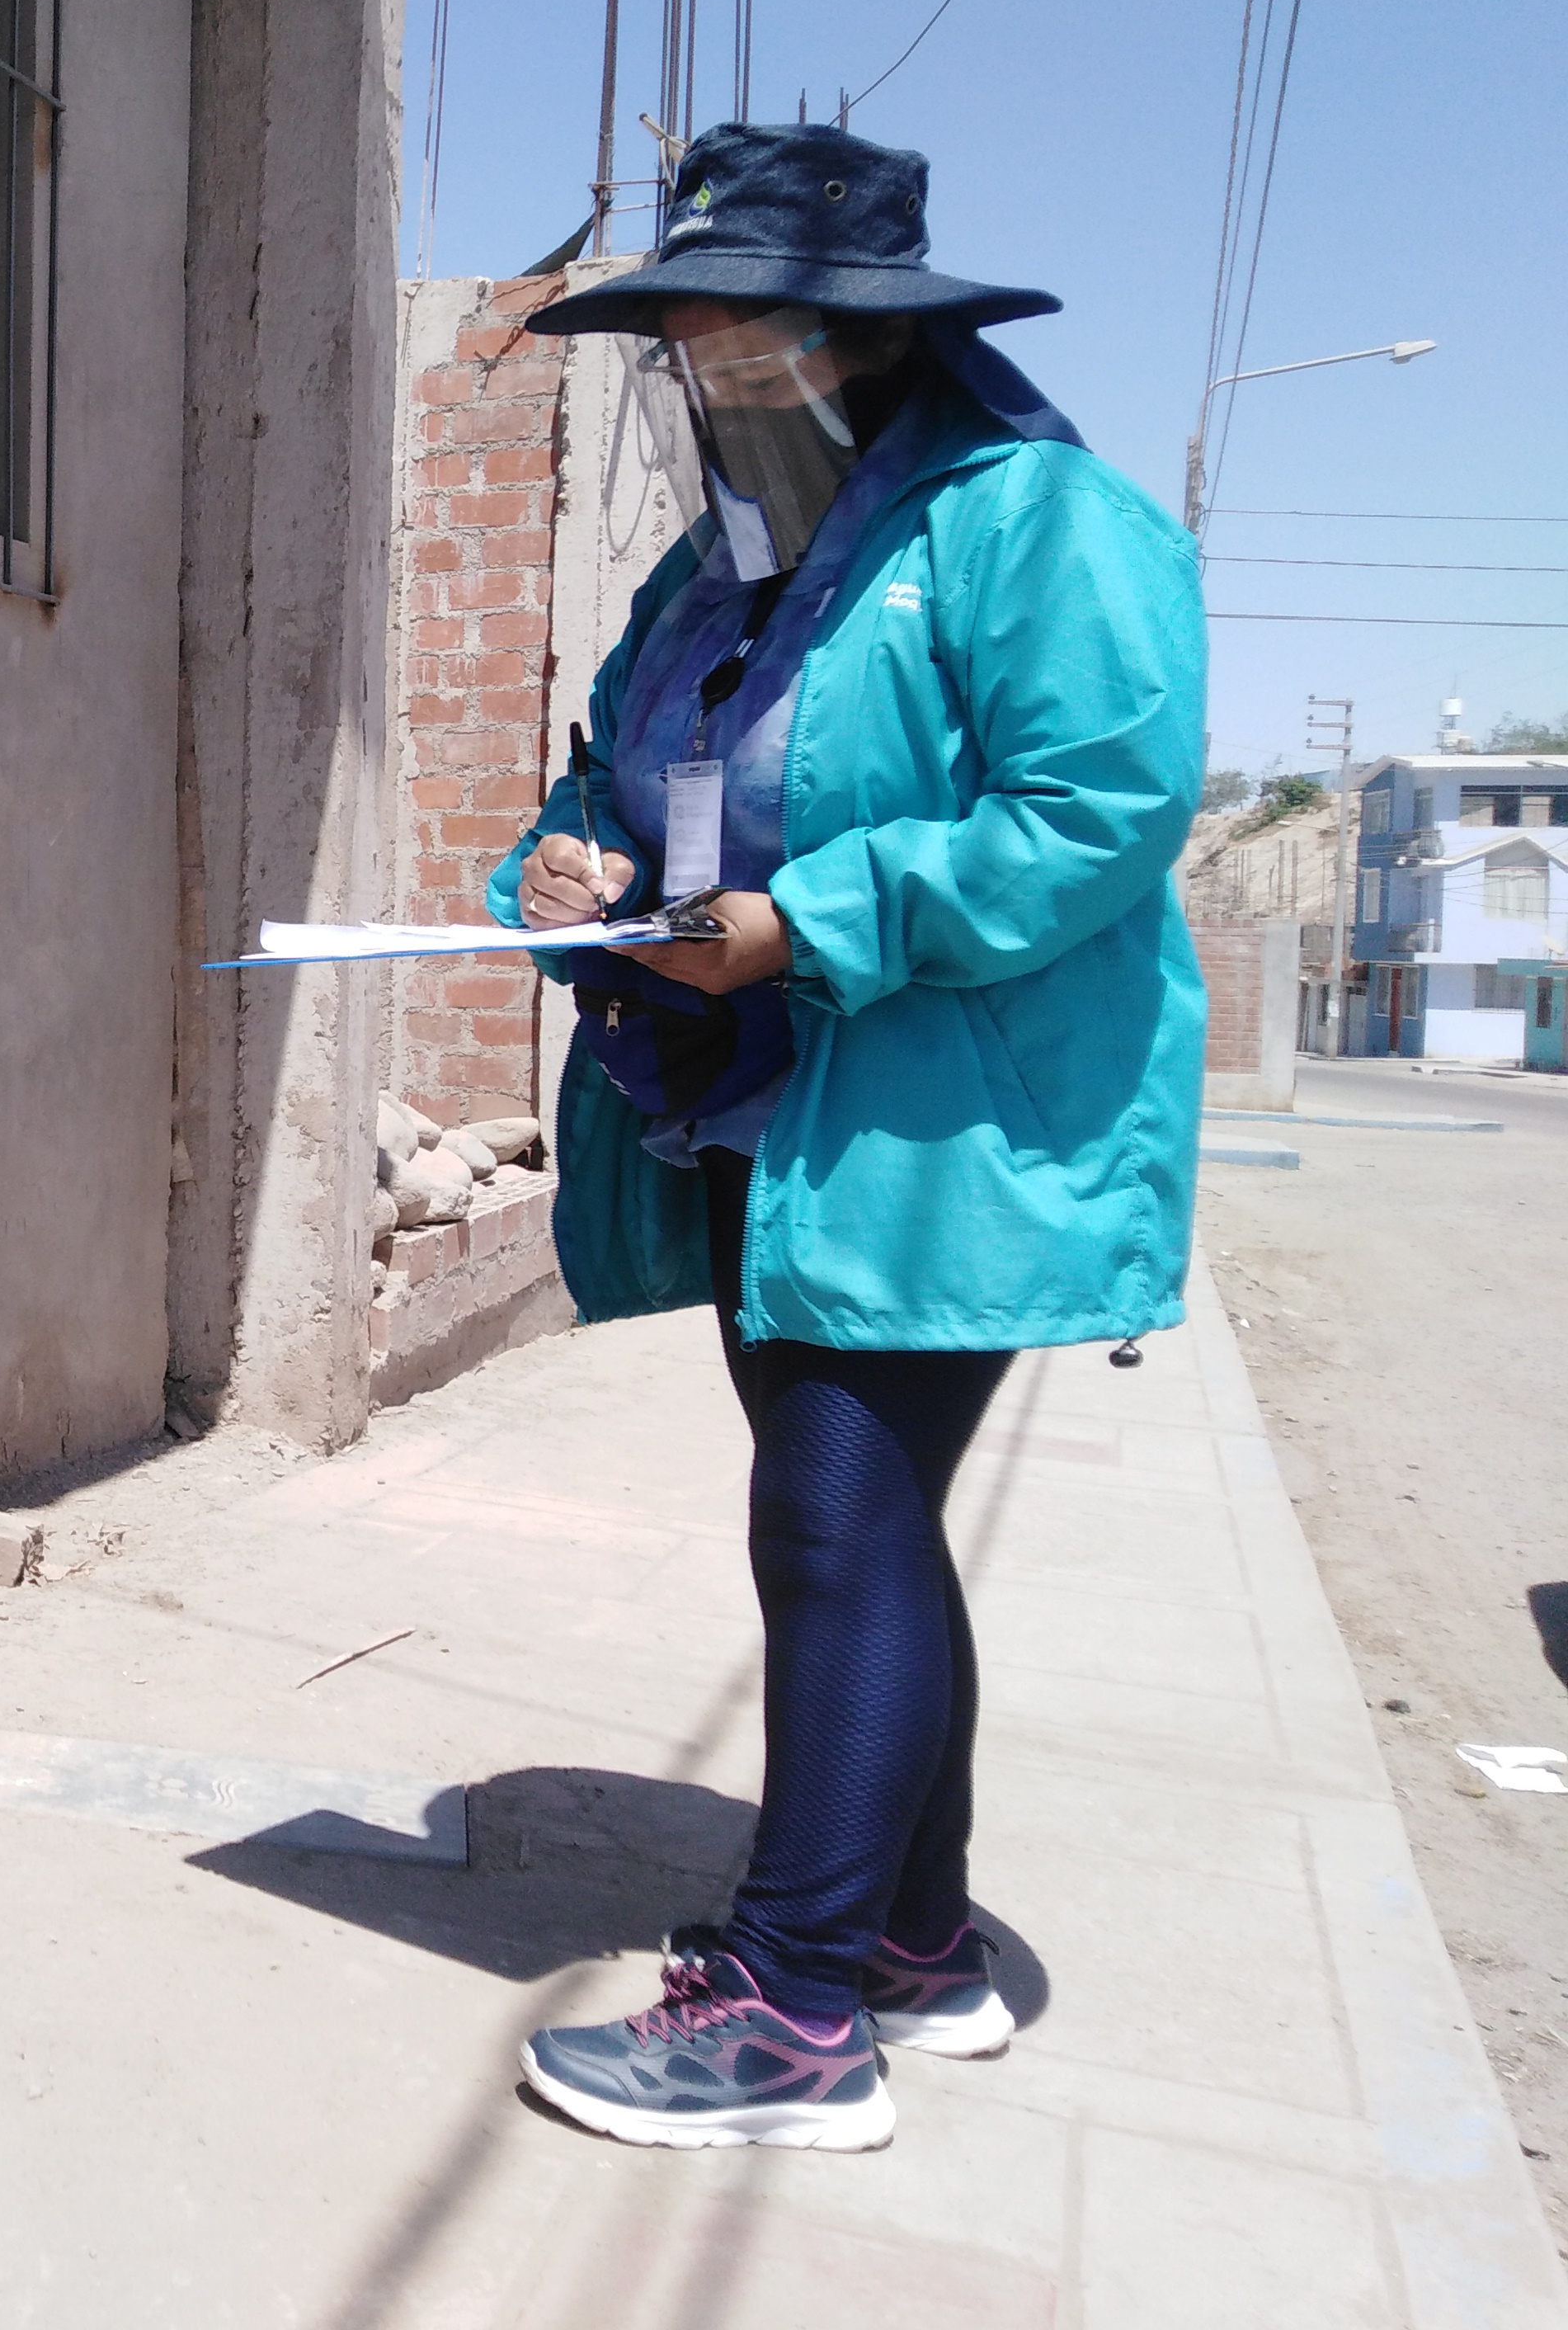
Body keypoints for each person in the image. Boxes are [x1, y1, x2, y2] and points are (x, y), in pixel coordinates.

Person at [485, 125, 1203, 2151]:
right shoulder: (711, 569)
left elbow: (1094, 815)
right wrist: (562, 863)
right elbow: (601, 772)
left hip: (935, 1126)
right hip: (752, 1117)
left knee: (826, 1525)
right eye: (686, 332)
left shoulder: (1033, 522)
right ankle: (912, 1941)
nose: (711, 358)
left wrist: (812, 920)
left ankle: (795, 2018)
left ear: (865, 336)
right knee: (865, 1527)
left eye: (750, 323)